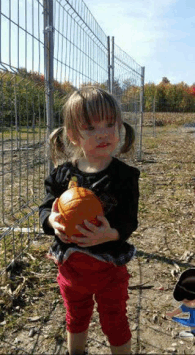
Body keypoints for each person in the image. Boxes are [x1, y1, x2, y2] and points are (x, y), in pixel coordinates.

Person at [39, 86, 140, 355]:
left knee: (115, 320)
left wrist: (111, 233)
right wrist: (52, 221)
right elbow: (46, 207)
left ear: (119, 126)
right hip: (71, 267)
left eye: (110, 124)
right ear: (73, 135)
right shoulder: (62, 176)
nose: (103, 133)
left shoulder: (124, 177)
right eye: (91, 127)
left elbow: (130, 220)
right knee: (76, 318)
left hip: (108, 268)